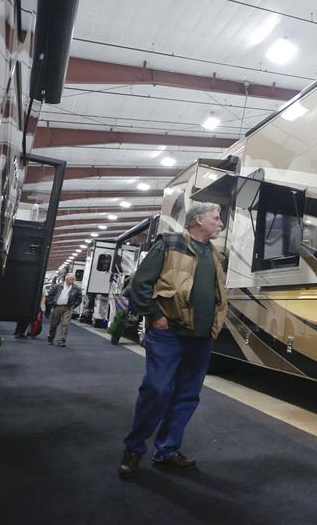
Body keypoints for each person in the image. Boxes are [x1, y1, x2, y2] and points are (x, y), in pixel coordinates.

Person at [117, 202, 227, 479]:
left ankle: (166, 451)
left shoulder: (214, 254)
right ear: (198, 219)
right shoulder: (169, 244)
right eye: (216, 218)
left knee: (187, 396)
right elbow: (139, 284)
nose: (220, 223)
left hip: (201, 338)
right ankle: (133, 449)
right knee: (157, 390)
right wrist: (155, 315)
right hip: (168, 335)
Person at [45, 274, 83, 346]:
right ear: (66, 279)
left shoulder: (77, 288)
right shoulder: (57, 286)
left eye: (73, 279)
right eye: (71, 279)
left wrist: (73, 306)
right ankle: (50, 338)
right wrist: (52, 304)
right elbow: (49, 296)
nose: (72, 281)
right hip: (57, 307)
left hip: (68, 308)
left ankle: (62, 341)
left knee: (65, 324)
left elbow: (79, 299)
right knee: (54, 324)